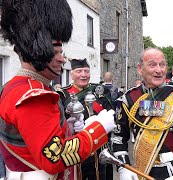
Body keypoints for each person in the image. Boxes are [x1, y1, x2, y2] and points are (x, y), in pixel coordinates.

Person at [0, 1, 115, 179]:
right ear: (38, 50)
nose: (63, 59)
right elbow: (55, 157)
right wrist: (97, 128)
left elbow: (35, 139)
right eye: (57, 52)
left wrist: (66, 129)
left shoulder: (16, 86)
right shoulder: (34, 96)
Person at [112, 47, 173, 180]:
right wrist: (124, 168)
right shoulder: (129, 99)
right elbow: (118, 138)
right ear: (140, 69)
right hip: (142, 172)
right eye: (152, 65)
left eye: (162, 64)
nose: (159, 70)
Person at [57, 59, 114, 180]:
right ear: (71, 74)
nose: (83, 74)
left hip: (101, 150)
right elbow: (59, 124)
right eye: (79, 71)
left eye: (86, 71)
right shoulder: (62, 94)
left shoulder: (101, 91)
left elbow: (112, 114)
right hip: (77, 149)